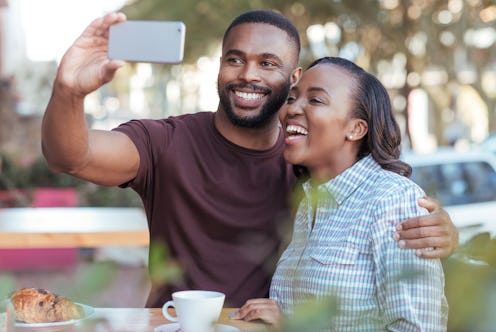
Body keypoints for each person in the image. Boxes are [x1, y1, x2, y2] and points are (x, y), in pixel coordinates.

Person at [41, 10, 457, 308]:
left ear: (293, 78)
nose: (248, 75)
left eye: (268, 63)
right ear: (220, 67)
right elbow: (71, 157)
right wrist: (69, 90)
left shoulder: (310, 165)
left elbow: (381, 235)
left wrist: (445, 236)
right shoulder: (167, 141)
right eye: (235, 59)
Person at [232, 57, 448, 330]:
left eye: (316, 100)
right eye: (293, 98)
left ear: (355, 129)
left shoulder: (392, 199)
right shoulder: (308, 202)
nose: (292, 109)